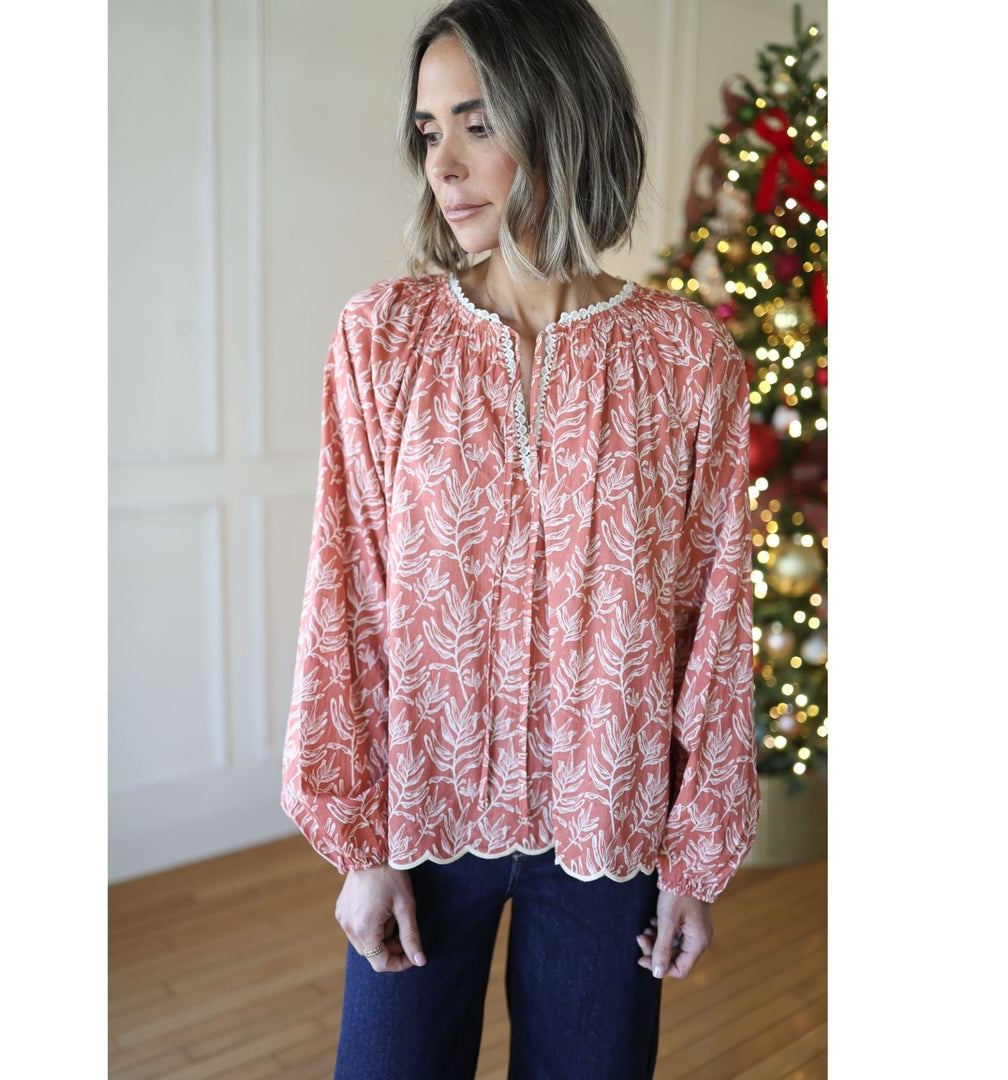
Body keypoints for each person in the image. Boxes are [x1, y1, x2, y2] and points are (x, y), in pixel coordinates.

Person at [281, 1, 760, 1076]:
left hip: (609, 830)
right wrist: (360, 847)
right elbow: (347, 593)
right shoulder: (383, 340)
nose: (443, 164)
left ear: (562, 114)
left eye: (478, 123)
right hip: (423, 818)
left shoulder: (687, 358)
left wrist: (692, 857)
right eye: (427, 129)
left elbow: (715, 614)